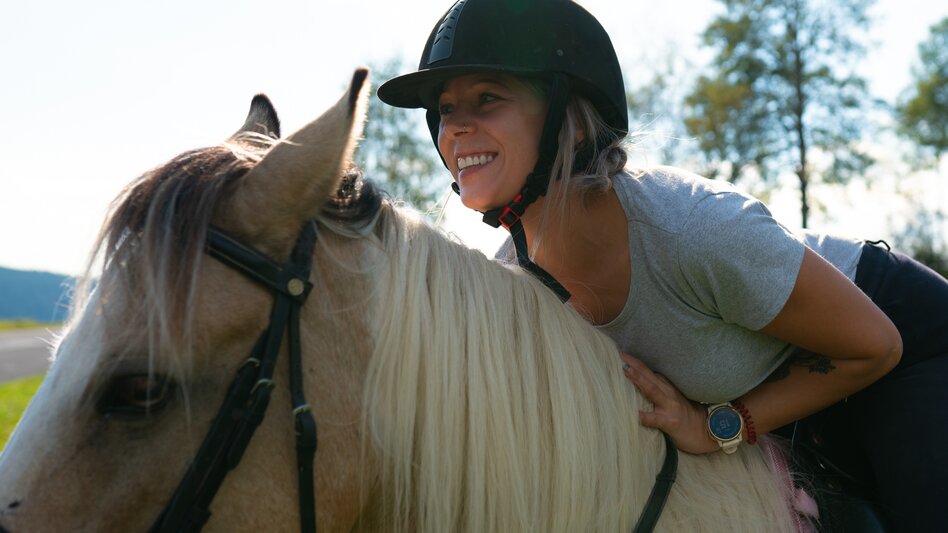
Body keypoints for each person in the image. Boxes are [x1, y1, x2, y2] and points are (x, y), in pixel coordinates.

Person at [377, 0, 948, 529]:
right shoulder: (516, 285)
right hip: (779, 396)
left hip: (897, 349)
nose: (454, 128)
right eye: (446, 110)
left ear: (571, 121)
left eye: (487, 99)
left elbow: (876, 346)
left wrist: (715, 427)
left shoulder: (692, 229)